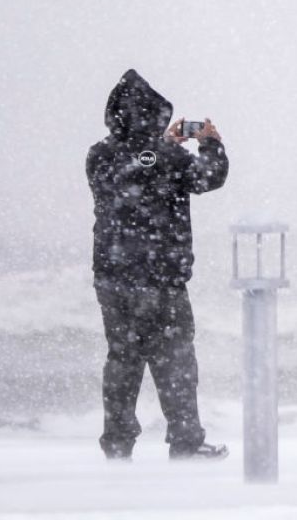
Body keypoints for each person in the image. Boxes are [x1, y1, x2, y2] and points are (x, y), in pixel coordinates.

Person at [86, 69, 230, 460]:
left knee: (122, 361)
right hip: (159, 277)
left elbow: (137, 170)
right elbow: (210, 177)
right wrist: (210, 142)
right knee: (175, 361)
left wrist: (160, 146)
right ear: (155, 115)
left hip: (112, 277)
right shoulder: (168, 158)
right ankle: (185, 442)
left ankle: (117, 446)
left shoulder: (98, 154)